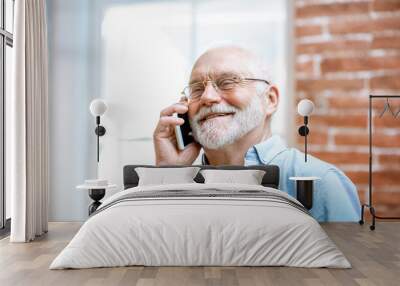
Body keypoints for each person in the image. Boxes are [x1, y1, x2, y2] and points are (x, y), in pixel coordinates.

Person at [153, 46, 360, 222]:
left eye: (227, 82)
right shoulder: (181, 181)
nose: (207, 97)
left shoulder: (321, 183)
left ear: (269, 100)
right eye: (196, 89)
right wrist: (169, 173)